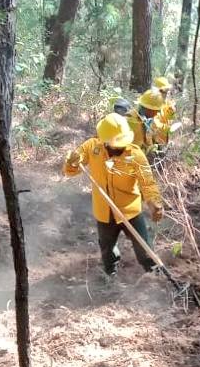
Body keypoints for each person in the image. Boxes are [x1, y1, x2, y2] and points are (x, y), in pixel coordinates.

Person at [64, 113, 163, 277]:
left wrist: (154, 203)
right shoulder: (91, 148)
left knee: (143, 247)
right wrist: (71, 162)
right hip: (104, 213)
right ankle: (110, 275)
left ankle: (154, 274)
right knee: (107, 248)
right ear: (104, 140)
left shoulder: (135, 155)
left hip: (130, 211)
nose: (120, 147)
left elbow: (148, 183)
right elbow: (70, 171)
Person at [127, 88, 166, 154]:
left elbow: (150, 139)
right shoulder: (130, 120)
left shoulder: (151, 120)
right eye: (156, 111)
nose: (157, 113)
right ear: (148, 109)